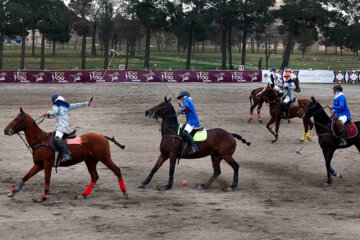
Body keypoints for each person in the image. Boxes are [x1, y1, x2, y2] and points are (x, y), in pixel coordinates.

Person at [46, 93, 92, 163]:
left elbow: (55, 111)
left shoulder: (56, 104)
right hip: (66, 128)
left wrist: (47, 113)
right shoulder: (66, 105)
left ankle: (67, 154)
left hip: (61, 128)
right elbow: (77, 105)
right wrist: (87, 103)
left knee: (56, 138)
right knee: (53, 134)